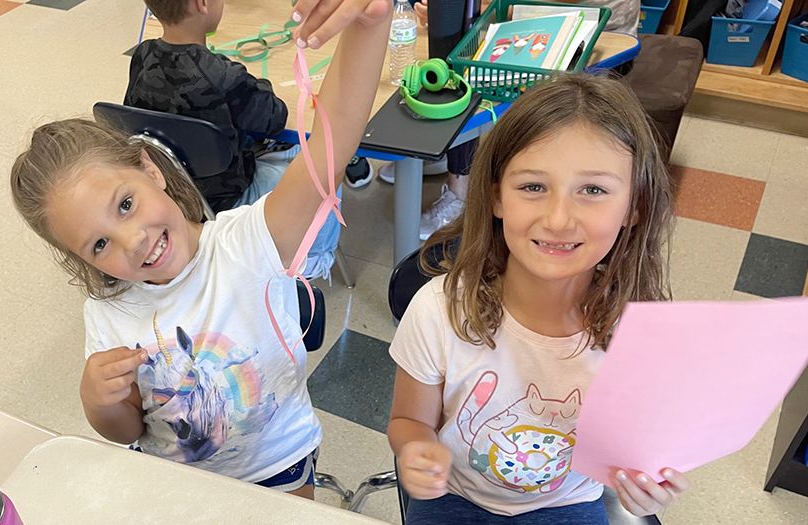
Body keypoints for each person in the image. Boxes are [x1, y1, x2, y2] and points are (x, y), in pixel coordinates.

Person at [11, 0, 392, 500]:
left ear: (150, 168)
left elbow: (334, 137)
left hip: (279, 465)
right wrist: (99, 402)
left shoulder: (250, 241)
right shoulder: (106, 315)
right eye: (100, 243)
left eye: (125, 204)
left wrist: (372, 22)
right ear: (81, 259)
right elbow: (128, 432)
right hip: (178, 488)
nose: (134, 241)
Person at [386, 73, 688, 523]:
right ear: (496, 197)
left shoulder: (641, 336)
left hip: (569, 504)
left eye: (593, 190)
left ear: (635, 206)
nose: (559, 219)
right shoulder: (439, 309)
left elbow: (638, 451)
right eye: (533, 186)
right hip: (456, 498)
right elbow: (409, 422)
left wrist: (647, 485)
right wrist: (416, 450)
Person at [125, 0, 374, 278]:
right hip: (229, 197)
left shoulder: (142, 55)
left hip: (175, 192)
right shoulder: (222, 76)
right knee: (323, 160)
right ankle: (317, 257)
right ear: (203, 4)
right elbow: (275, 117)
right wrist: (249, 82)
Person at [387, 0, 640, 241]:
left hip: (595, 38)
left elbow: (547, 6)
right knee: (462, 56)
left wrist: (470, 11)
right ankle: (444, 156)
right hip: (544, 24)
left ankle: (460, 194)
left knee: (472, 86)